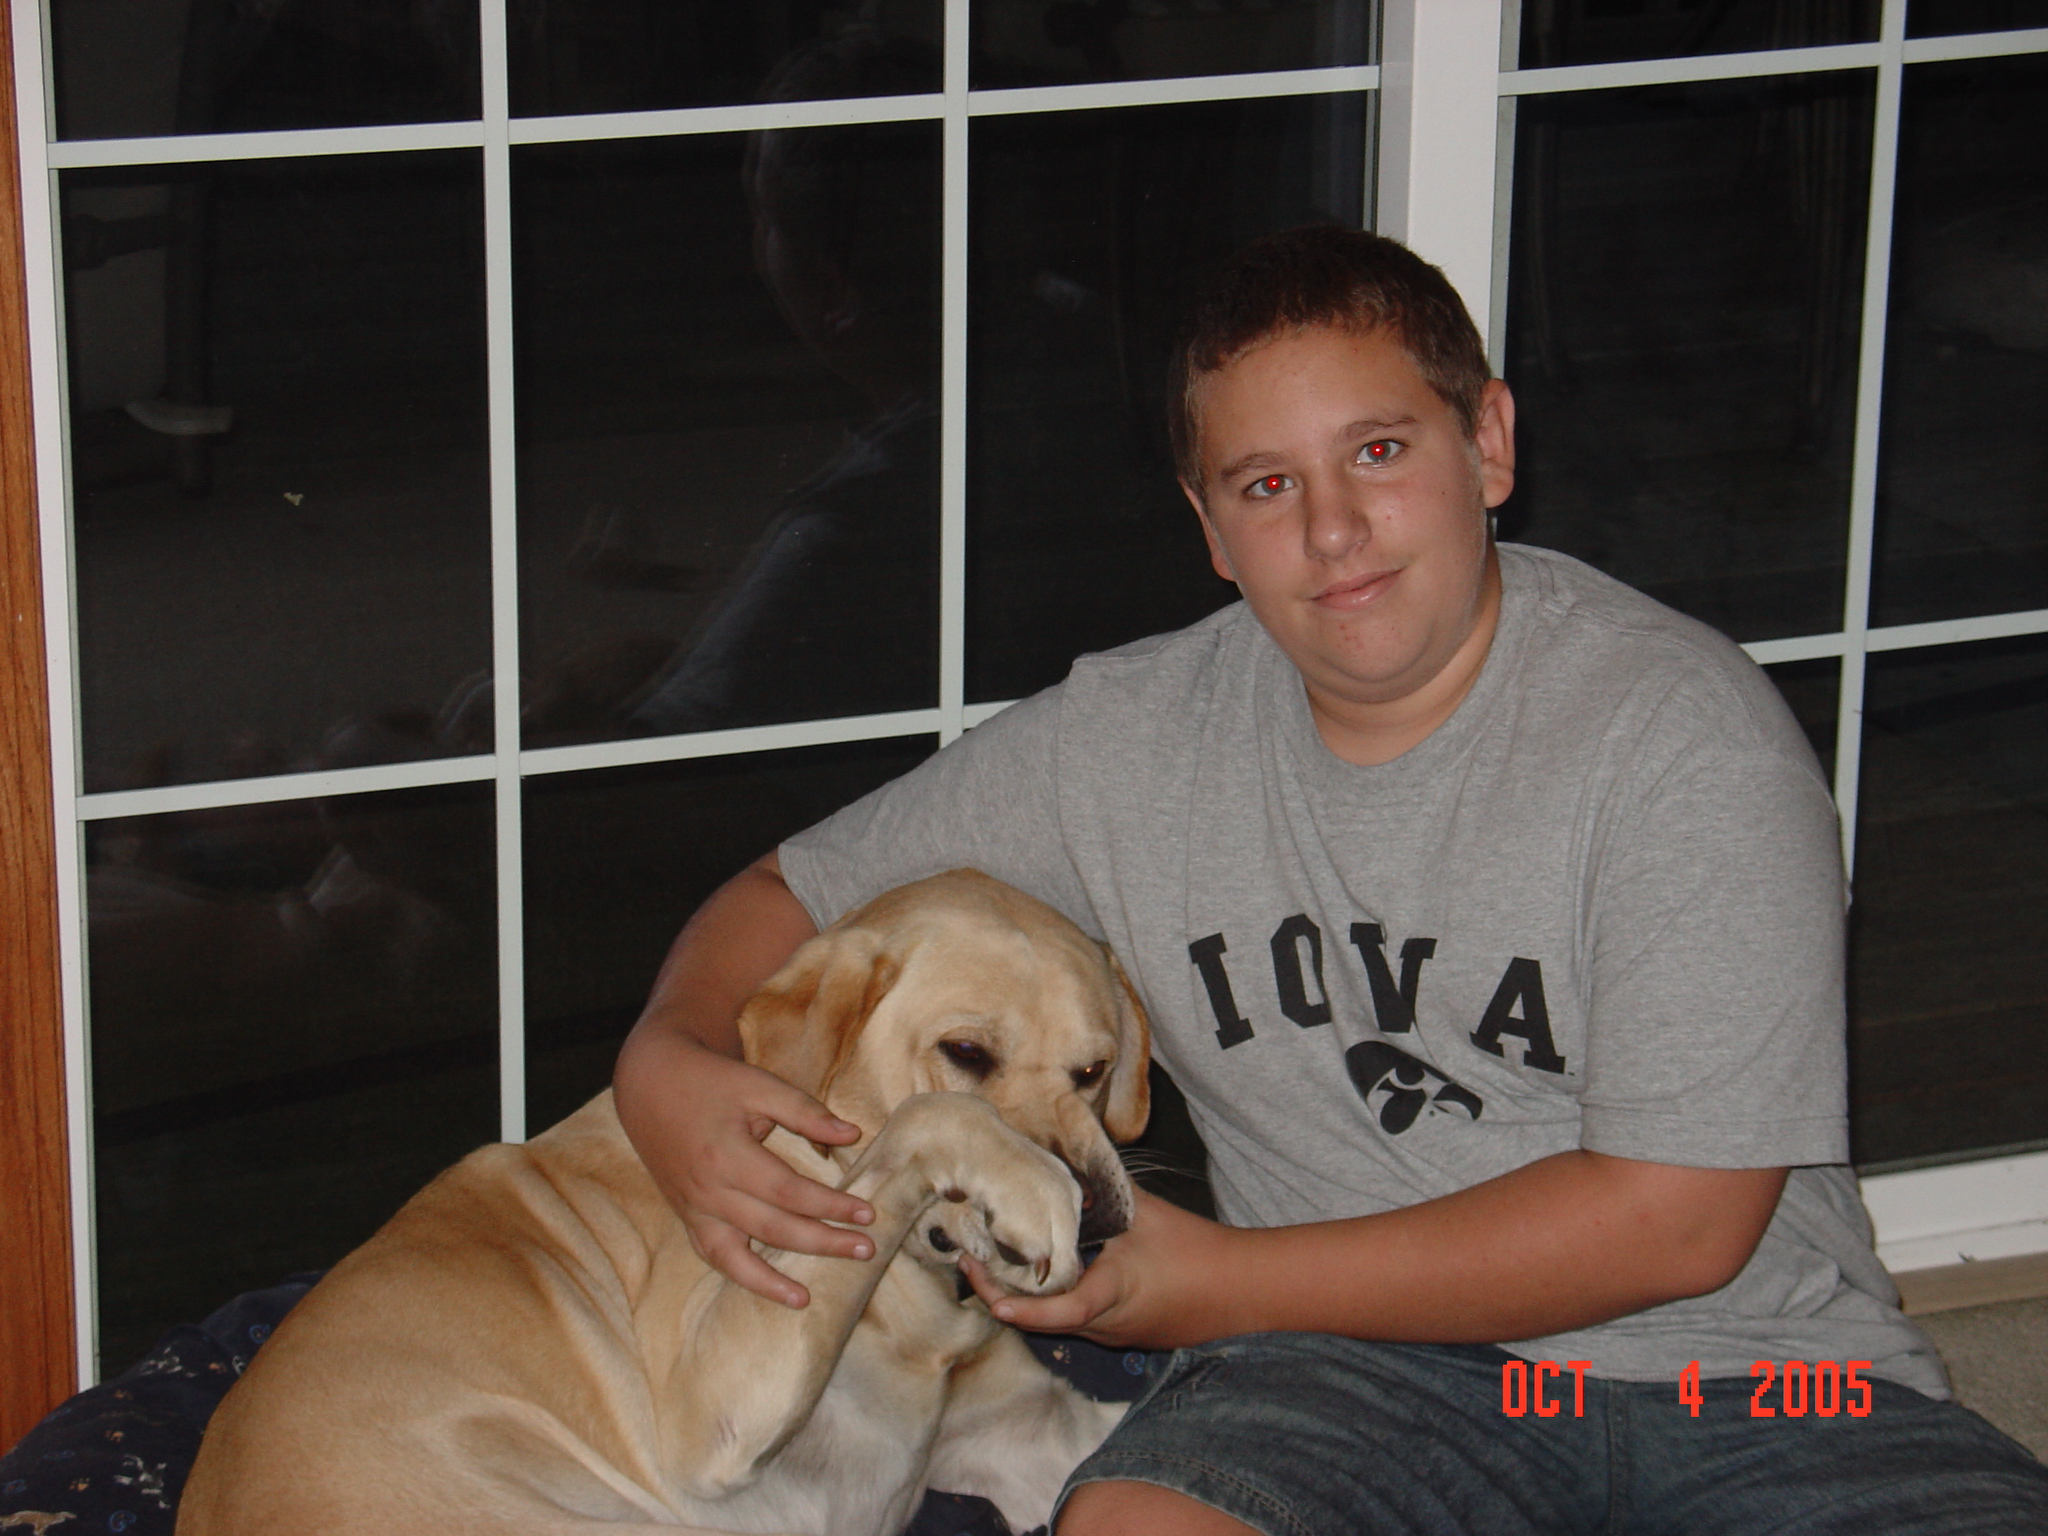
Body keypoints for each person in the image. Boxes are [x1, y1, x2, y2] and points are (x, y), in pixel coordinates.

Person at [611, 224, 2048, 1535]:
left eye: (1378, 451)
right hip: (1346, 1372)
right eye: (1267, 484)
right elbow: (788, 895)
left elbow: (1678, 1222)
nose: (1332, 529)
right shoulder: (1126, 742)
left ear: (1488, 444)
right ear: (1210, 530)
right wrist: (664, 1059)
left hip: (1763, 1384)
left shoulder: (1683, 736)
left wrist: (1210, 1286)